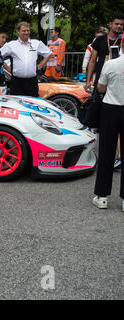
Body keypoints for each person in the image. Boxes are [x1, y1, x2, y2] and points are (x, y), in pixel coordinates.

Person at [92, 33, 124, 210]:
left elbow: (101, 87)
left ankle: (102, 196)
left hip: (111, 108)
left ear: (121, 46)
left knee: (106, 152)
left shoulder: (111, 64)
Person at [0, 22, 52, 97]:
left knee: (33, 104)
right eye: (24, 31)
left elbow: (49, 53)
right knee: (16, 104)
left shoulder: (36, 43)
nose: (26, 32)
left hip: (32, 82)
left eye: (28, 30)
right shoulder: (11, 45)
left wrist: (40, 65)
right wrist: (7, 68)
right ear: (18, 31)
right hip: (17, 82)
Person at [85, 15, 124, 93]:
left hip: (118, 78)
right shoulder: (99, 40)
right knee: (98, 100)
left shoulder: (122, 42)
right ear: (110, 24)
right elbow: (92, 61)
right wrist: (88, 81)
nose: (119, 26)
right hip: (101, 77)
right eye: (117, 24)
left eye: (121, 24)